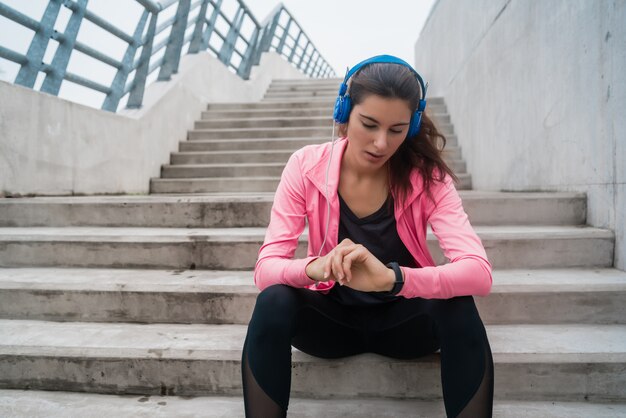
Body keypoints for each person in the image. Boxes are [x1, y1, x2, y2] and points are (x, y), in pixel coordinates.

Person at [241, 55, 494, 417]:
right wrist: (316, 268)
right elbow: (265, 269)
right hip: (329, 326)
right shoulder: (305, 166)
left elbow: (479, 273)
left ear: (413, 124)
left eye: (396, 129)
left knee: (459, 305)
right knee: (274, 301)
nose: (380, 143)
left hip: (405, 325)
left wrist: (393, 278)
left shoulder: (428, 177)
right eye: (369, 124)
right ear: (344, 113)